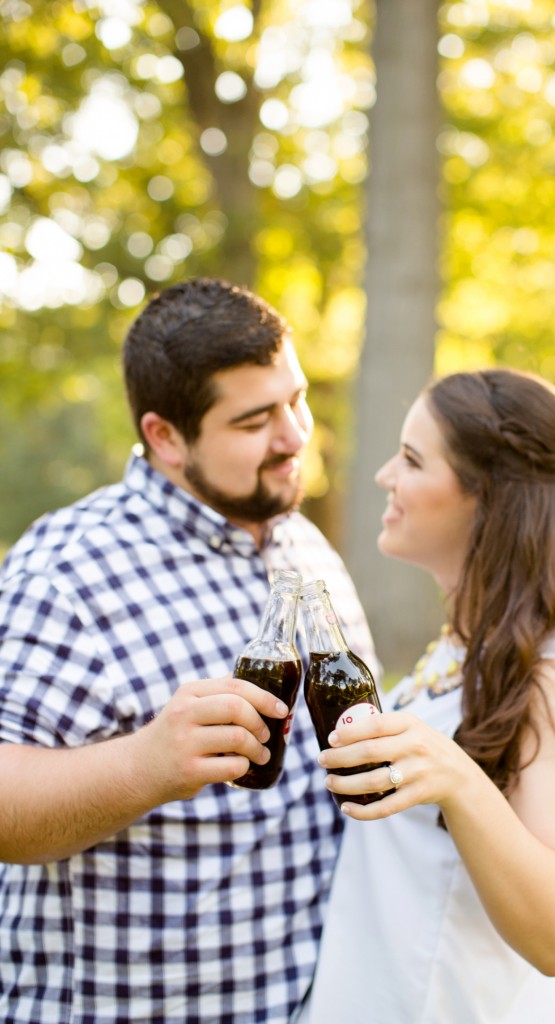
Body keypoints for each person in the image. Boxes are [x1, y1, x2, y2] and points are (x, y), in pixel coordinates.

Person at [0, 278, 378, 1024]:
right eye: (255, 420)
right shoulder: (67, 572)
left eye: (295, 400)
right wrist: (146, 764)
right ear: (166, 437)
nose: (296, 435)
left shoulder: (304, 547)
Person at [299, 368, 555, 1024]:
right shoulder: (460, 650)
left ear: (486, 499)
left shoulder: (549, 678)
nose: (384, 477)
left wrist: (458, 778)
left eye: (411, 459)